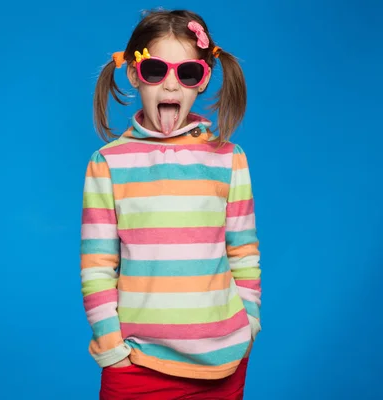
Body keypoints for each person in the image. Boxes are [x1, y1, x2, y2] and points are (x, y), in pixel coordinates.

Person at [79, 9, 262, 400]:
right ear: (132, 73)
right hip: (138, 363)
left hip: (223, 361)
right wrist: (111, 348)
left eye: (188, 73)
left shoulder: (229, 159)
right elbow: (97, 265)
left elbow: (243, 252)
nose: (171, 87)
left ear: (204, 79)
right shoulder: (108, 163)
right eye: (156, 70)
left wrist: (250, 322)